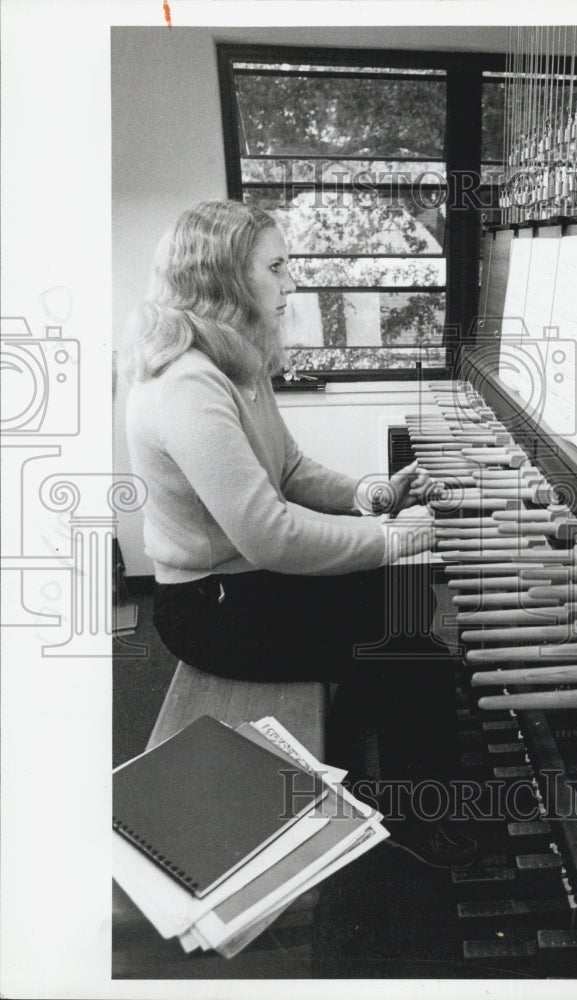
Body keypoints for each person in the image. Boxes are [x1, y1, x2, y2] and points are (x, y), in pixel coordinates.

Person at [123, 200, 475, 867]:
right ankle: (419, 830)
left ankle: (359, 749)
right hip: (208, 610)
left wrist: (372, 494)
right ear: (224, 277)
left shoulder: (232, 360)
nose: (291, 284)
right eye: (277, 268)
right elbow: (271, 538)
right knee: (418, 656)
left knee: (397, 606)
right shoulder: (187, 384)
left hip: (240, 584)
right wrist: (405, 538)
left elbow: (288, 468)